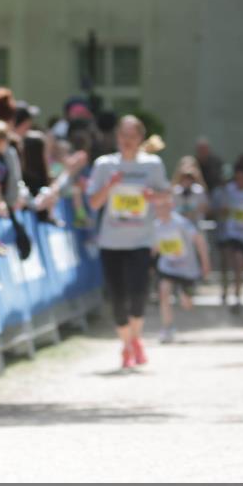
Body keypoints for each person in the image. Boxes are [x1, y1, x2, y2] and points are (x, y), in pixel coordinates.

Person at [87, 115, 169, 369]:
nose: (127, 141)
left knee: (138, 295)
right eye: (123, 136)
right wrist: (110, 186)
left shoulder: (152, 165)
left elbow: (166, 196)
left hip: (141, 241)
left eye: (132, 136)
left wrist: (151, 196)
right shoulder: (105, 165)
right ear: (117, 138)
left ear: (140, 138)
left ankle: (135, 339)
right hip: (111, 241)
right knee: (117, 298)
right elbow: (93, 203)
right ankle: (127, 344)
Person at [153, 191, 211, 343]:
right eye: (157, 207)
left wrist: (205, 263)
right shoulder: (155, 226)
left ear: (170, 206)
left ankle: (185, 296)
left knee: (187, 303)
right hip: (167, 267)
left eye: (163, 207)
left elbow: (199, 241)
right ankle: (167, 328)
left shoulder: (182, 224)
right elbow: (155, 248)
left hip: (187, 270)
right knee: (163, 293)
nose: (160, 210)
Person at [213, 155, 243, 312]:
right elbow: (220, 209)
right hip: (235, 233)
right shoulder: (229, 190)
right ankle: (237, 297)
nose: (239, 181)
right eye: (237, 178)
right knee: (238, 263)